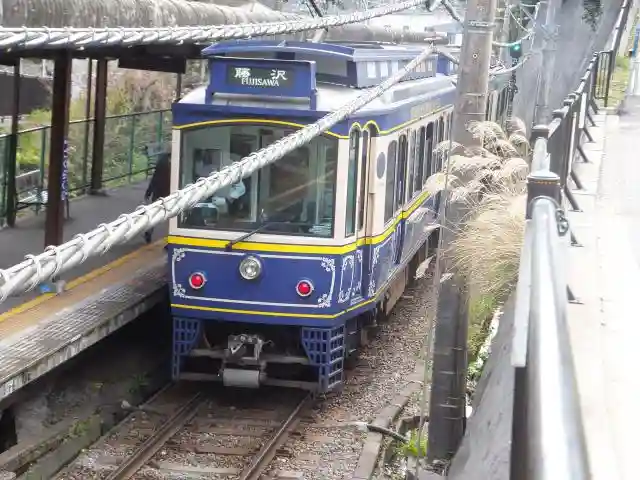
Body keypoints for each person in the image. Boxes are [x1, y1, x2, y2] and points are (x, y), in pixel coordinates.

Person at [144, 152, 171, 244]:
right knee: (170, 213)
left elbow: (155, 177)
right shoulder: (178, 160)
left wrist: (149, 191)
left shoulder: (162, 160)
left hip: (159, 190)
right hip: (169, 191)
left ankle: (149, 230)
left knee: (154, 212)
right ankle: (169, 236)